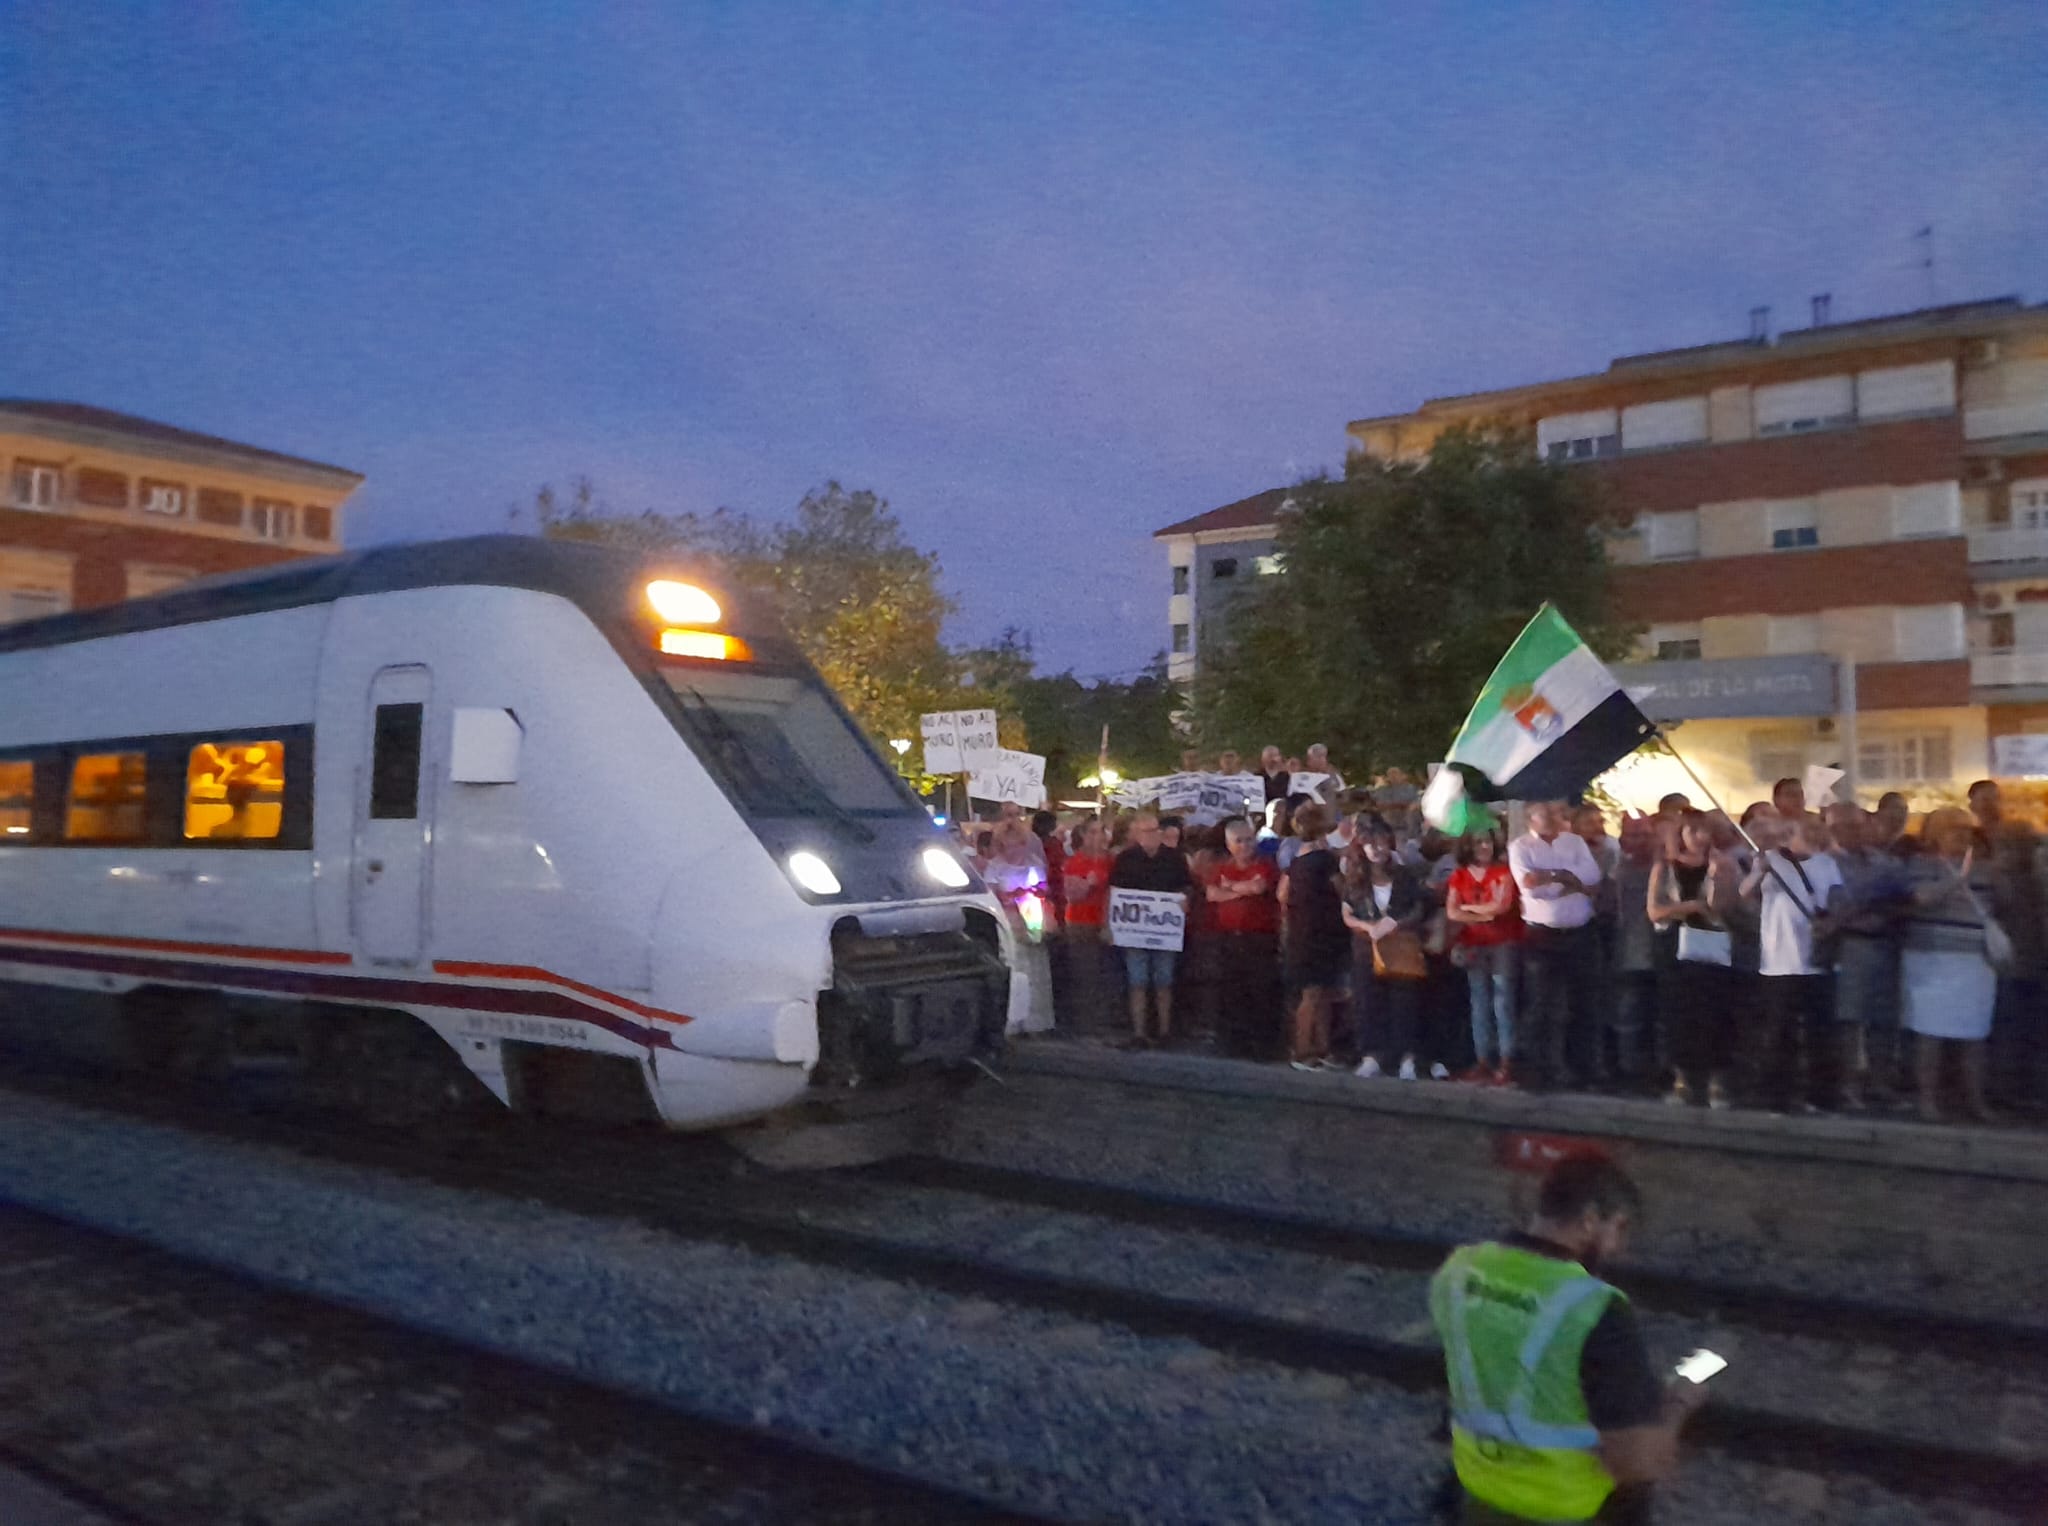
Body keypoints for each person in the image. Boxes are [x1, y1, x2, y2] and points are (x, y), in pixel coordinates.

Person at [1430, 1156, 1702, 1526]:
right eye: (1618, 1228)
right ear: (1590, 1219)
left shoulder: (1458, 1271)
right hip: (1564, 1510)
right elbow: (1636, 1463)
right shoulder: (1595, 1308)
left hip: (1477, 1494)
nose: (1616, 1248)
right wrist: (1679, 1404)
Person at [1902, 807, 2003, 1123]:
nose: (1962, 836)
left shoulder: (1986, 870)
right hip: (1932, 960)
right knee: (1930, 1033)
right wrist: (1956, 880)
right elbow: (1919, 899)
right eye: (1953, 830)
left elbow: (2000, 905)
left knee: (1973, 1033)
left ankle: (1975, 1101)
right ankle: (1927, 1101)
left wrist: (2001, 878)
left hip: (1975, 961)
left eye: (1965, 830)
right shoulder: (1920, 865)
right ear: (1934, 835)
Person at [1740, 812, 1844, 1112]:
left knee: (1821, 1032)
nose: (1813, 833)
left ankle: (1822, 1095)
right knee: (1778, 1031)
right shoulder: (1771, 860)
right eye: (1805, 828)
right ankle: (1776, 1095)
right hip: (1780, 960)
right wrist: (1759, 870)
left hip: (1816, 958)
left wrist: (1832, 923)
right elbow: (1744, 894)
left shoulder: (1827, 862)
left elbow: (1837, 898)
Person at [1509, 801, 1604, 1091]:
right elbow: (1533, 889)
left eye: (1554, 813)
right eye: (1545, 814)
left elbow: (1591, 877)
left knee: (1585, 1002)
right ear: (1530, 819)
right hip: (1543, 936)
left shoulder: (1574, 842)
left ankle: (1583, 1069)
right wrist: (1567, 878)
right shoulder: (1521, 847)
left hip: (1579, 931)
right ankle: (1538, 1070)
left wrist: (1553, 875)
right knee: (1542, 1004)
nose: (1552, 818)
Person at [1648, 811, 1734, 1109]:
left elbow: (1722, 908)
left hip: (1711, 943)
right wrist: (1689, 905)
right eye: (1693, 832)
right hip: (1676, 945)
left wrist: (1716, 877)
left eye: (1704, 832)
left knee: (1715, 1011)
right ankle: (1683, 1078)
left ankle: (1716, 1080)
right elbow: (1655, 911)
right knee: (1679, 1014)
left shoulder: (1720, 865)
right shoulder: (1666, 868)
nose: (1700, 838)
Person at [1827, 803, 1910, 1108]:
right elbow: (1832, 907)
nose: (1852, 832)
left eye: (1857, 825)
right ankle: (1848, 1085)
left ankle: (1881, 1084)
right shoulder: (1825, 864)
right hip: (1850, 946)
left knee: (1883, 1017)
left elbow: (1904, 896)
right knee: (1850, 1017)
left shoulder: (1885, 862)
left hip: (1885, 943)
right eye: (1842, 826)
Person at [1344, 818, 1428, 1080]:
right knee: (1369, 1002)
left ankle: (1407, 1057)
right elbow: (1346, 913)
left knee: (1404, 1002)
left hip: (1400, 946)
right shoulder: (1356, 879)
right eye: (1370, 844)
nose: (1377, 849)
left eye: (1381, 843)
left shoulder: (1404, 876)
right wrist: (1366, 927)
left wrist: (1396, 923)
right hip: (1367, 947)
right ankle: (1372, 1056)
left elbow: (1418, 908)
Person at [1109, 812, 1194, 1048]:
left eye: (1156, 829)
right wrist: (1108, 925)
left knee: (1164, 980)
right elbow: (1114, 892)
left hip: (1164, 931)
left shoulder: (1174, 858)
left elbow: (1187, 886)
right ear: (1136, 834)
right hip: (1134, 931)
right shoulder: (1126, 859)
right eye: (1147, 831)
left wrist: (1185, 900)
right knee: (1137, 981)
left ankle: (1164, 1032)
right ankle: (1139, 1033)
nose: (1153, 835)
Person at [1447, 829, 1520, 1084]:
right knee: (1479, 1002)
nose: (1484, 846)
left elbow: (1501, 907)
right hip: (1474, 943)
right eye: (1478, 842)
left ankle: (1506, 1060)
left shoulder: (1503, 873)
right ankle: (1482, 1060)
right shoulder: (1459, 875)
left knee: (1503, 1003)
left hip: (1502, 942)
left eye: (1487, 841)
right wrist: (1481, 913)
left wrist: (1467, 908)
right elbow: (1452, 911)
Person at [1206, 817, 1283, 1059]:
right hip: (1228, 938)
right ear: (1229, 844)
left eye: (1249, 839)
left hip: (1259, 939)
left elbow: (1258, 887)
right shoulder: (1221, 867)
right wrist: (1240, 888)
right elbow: (1212, 894)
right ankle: (1231, 1043)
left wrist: (1230, 887)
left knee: (1260, 992)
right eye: (1239, 841)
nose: (1245, 845)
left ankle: (1262, 1046)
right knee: (1230, 992)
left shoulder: (1266, 864)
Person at [1279, 803, 1347, 1071]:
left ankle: (1321, 1047)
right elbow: (1342, 891)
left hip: (1302, 931)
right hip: (1322, 932)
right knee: (1314, 994)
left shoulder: (1296, 862)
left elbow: (1282, 895)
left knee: (1318, 993)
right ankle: (1302, 1050)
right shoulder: (1326, 860)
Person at [986, 819, 1056, 1034]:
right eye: (1008, 845)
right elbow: (992, 895)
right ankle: (1013, 1022)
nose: (1013, 849)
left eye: (1017, 844)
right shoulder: (995, 866)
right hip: (1009, 922)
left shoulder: (1033, 863)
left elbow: (1044, 888)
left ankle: (1037, 1021)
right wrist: (1011, 897)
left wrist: (1035, 892)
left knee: (1036, 970)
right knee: (1016, 968)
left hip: (1032, 919)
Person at [1060, 818, 1116, 1034]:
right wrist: (1088, 883)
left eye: (1101, 832)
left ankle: (1103, 1021)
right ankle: (1085, 1024)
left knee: (1105, 973)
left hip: (1105, 921)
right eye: (1092, 832)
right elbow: (1072, 895)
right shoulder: (1075, 861)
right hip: (1080, 922)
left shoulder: (1110, 860)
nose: (1097, 836)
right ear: (1083, 835)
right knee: (1085, 974)